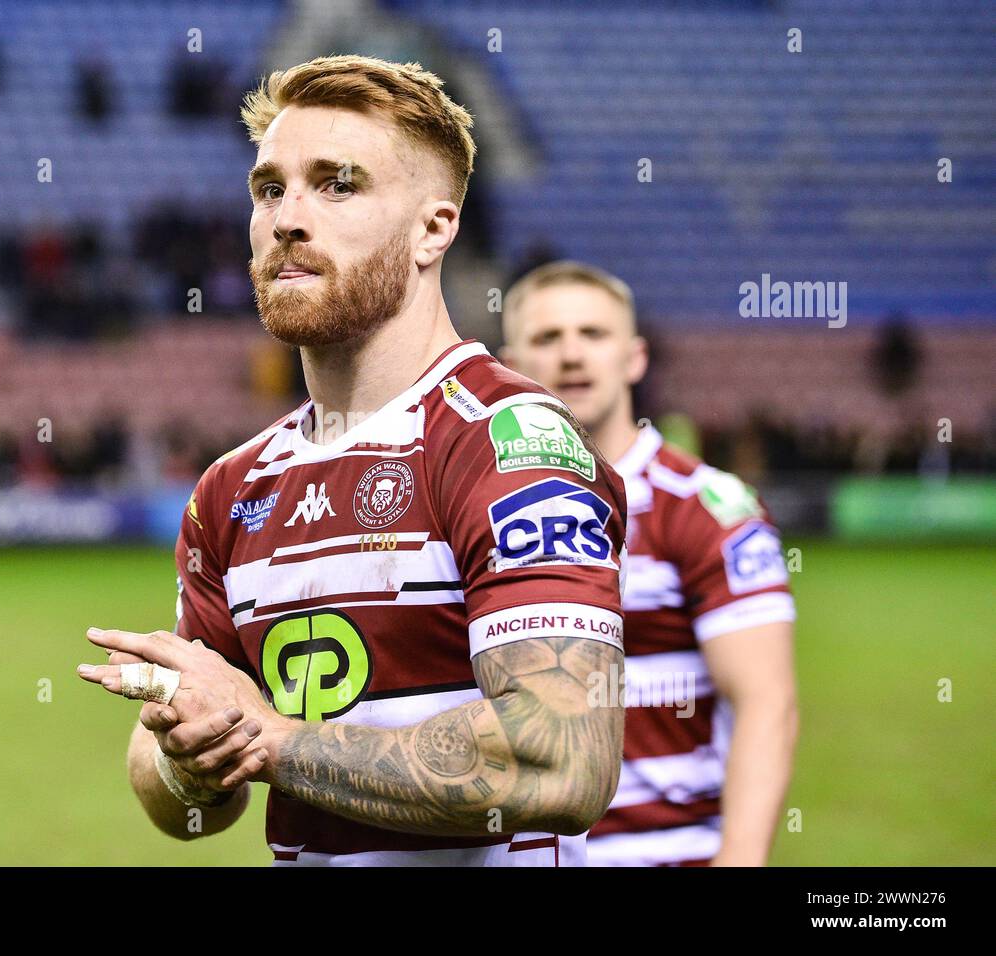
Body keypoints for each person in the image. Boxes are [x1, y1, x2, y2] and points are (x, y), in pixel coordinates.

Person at [77, 56, 627, 866]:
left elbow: (565, 760)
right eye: (270, 189)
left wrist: (273, 742)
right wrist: (191, 755)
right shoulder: (234, 489)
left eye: (338, 185)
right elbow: (171, 788)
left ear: (433, 229)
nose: (288, 219)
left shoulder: (505, 442)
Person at [499, 260, 798, 866]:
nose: (572, 355)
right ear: (510, 365)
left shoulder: (708, 508)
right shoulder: (477, 503)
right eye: (548, 338)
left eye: (594, 334)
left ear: (634, 358)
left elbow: (767, 702)